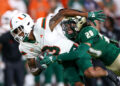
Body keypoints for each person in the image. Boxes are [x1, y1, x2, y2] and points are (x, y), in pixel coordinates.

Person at [10, 9, 109, 86]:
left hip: (74, 51)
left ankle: (110, 75)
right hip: (64, 60)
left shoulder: (42, 25)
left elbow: (63, 13)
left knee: (90, 75)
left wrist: (87, 15)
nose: (17, 35)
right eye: (14, 32)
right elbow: (33, 70)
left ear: (27, 24)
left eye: (18, 30)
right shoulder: (24, 47)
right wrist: (40, 66)